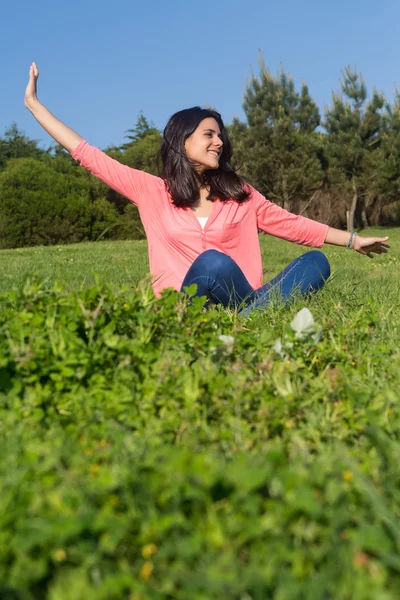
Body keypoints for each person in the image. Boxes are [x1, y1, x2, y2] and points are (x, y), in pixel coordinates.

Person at [24, 62, 390, 316]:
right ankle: (244, 321)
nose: (218, 142)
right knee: (211, 262)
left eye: (220, 137)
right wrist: (34, 106)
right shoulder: (152, 191)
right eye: (208, 134)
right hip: (185, 304)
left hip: (241, 296)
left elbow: (292, 224)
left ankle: (245, 320)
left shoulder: (240, 194)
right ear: (182, 140)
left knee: (315, 262)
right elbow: (89, 155)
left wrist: (353, 240)